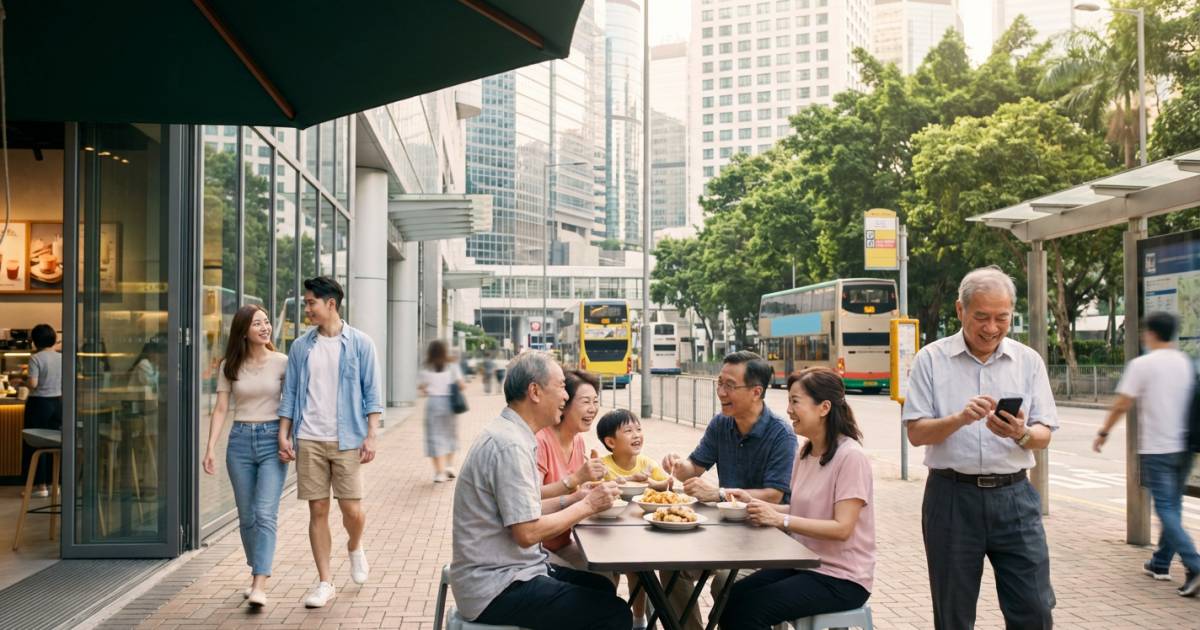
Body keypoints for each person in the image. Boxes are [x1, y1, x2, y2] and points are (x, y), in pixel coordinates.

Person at [903, 266, 1057, 629]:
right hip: (952, 496)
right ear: (960, 310)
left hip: (1015, 496)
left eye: (1002, 318)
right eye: (981, 317)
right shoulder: (931, 359)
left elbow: (1044, 433)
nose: (991, 328)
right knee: (953, 613)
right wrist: (958, 419)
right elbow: (916, 433)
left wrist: (1020, 433)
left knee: (1034, 608)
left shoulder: (1028, 361)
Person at [450, 352, 630, 630]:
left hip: (513, 572)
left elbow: (527, 508)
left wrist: (575, 498)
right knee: (614, 613)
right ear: (535, 391)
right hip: (496, 587)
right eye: (560, 387)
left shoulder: (514, 435)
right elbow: (527, 533)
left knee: (602, 589)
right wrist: (588, 505)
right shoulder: (511, 445)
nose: (565, 397)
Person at [721, 367, 874, 629]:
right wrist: (752, 502)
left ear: (824, 407)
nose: (789, 410)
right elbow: (802, 509)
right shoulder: (805, 452)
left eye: (795, 401)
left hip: (842, 578)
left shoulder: (851, 457)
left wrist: (781, 520)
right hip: (805, 565)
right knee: (733, 596)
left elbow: (842, 528)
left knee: (751, 611)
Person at [658, 350, 798, 630]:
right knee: (671, 568)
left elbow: (775, 495)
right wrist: (677, 464)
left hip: (765, 537)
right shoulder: (721, 423)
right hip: (721, 532)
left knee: (726, 580)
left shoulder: (781, 434)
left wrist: (720, 493)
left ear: (756, 392)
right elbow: (695, 466)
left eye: (729, 385)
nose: (721, 391)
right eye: (719, 383)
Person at [278, 277, 384, 609]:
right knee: (318, 508)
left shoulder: (361, 344)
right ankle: (325, 582)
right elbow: (291, 393)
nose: (306, 308)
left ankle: (355, 545)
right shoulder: (300, 346)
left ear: (330, 304)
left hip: (347, 438)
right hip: (309, 437)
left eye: (311, 302)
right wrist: (285, 432)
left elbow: (372, 393)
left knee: (352, 509)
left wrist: (371, 435)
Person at [1094, 311, 1200, 596]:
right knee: (1173, 507)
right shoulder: (1186, 363)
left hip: (1157, 449)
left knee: (1165, 508)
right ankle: (1160, 563)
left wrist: (1103, 432)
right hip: (1185, 447)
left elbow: (1122, 404)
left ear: (1151, 333)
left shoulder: (1143, 365)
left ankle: (1195, 564)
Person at [202, 305, 289, 608]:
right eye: (257, 323)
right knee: (247, 516)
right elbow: (221, 409)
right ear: (244, 331)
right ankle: (258, 568)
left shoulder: (282, 362)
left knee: (265, 514)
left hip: (271, 441)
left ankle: (259, 583)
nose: (265, 327)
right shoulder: (230, 365)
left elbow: (290, 406)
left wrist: (286, 437)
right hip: (239, 442)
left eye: (266, 322)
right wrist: (210, 447)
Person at [596, 408, 670, 629]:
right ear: (610, 441)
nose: (637, 434)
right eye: (628, 431)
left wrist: (648, 483)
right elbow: (597, 488)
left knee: (637, 573)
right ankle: (610, 614)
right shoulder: (604, 465)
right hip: (609, 528)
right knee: (610, 575)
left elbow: (666, 483)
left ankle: (639, 620)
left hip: (638, 528)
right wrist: (629, 479)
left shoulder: (646, 463)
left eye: (639, 429)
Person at [534, 369, 606, 568]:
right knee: (600, 574)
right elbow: (531, 497)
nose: (592, 409)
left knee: (612, 566)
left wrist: (594, 485)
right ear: (564, 405)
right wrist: (577, 479)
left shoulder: (579, 441)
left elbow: (578, 492)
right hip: (539, 547)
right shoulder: (541, 441)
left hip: (567, 539)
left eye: (595, 401)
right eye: (585, 402)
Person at [23, 324, 61, 498]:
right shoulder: (61, 358)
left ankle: (41, 487)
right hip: (58, 404)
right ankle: (56, 485)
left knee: (36, 444)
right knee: (54, 443)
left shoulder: (36, 358)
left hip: (39, 404)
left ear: (35, 341)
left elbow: (33, 384)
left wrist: (22, 382)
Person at [419, 339, 465, 483]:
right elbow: (462, 385)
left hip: (433, 404)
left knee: (434, 436)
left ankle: (439, 473)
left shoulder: (427, 367)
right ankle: (449, 466)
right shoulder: (452, 367)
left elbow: (422, 388)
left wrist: (430, 388)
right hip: (449, 403)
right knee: (450, 434)